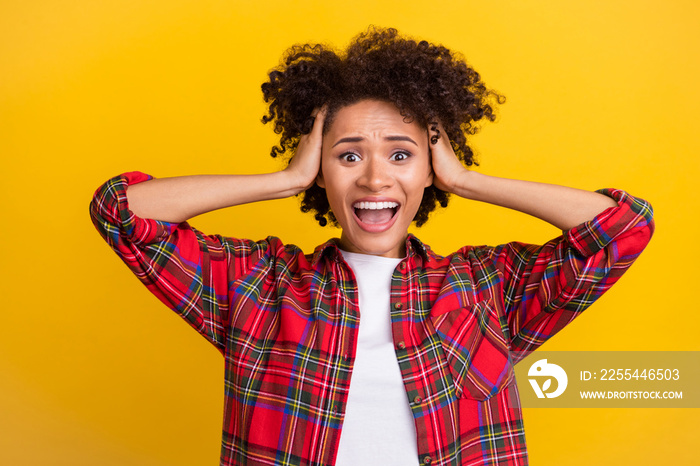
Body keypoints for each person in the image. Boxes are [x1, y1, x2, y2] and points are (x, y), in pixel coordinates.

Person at [90, 27, 654, 466]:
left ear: (430, 169)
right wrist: (283, 180)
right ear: (321, 171)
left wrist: (463, 179)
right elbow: (120, 210)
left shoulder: (487, 287)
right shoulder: (257, 286)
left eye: (402, 155)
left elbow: (623, 228)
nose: (375, 179)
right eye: (350, 155)